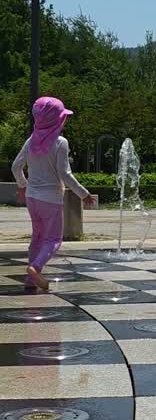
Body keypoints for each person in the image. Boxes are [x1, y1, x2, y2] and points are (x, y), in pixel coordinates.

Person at [12, 97, 98, 290]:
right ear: (57, 120)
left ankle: (31, 280)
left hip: (32, 198)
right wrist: (83, 194)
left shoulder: (30, 141)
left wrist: (22, 185)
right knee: (53, 240)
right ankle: (35, 268)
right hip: (51, 199)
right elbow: (64, 174)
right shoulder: (60, 143)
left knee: (37, 237)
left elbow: (16, 166)